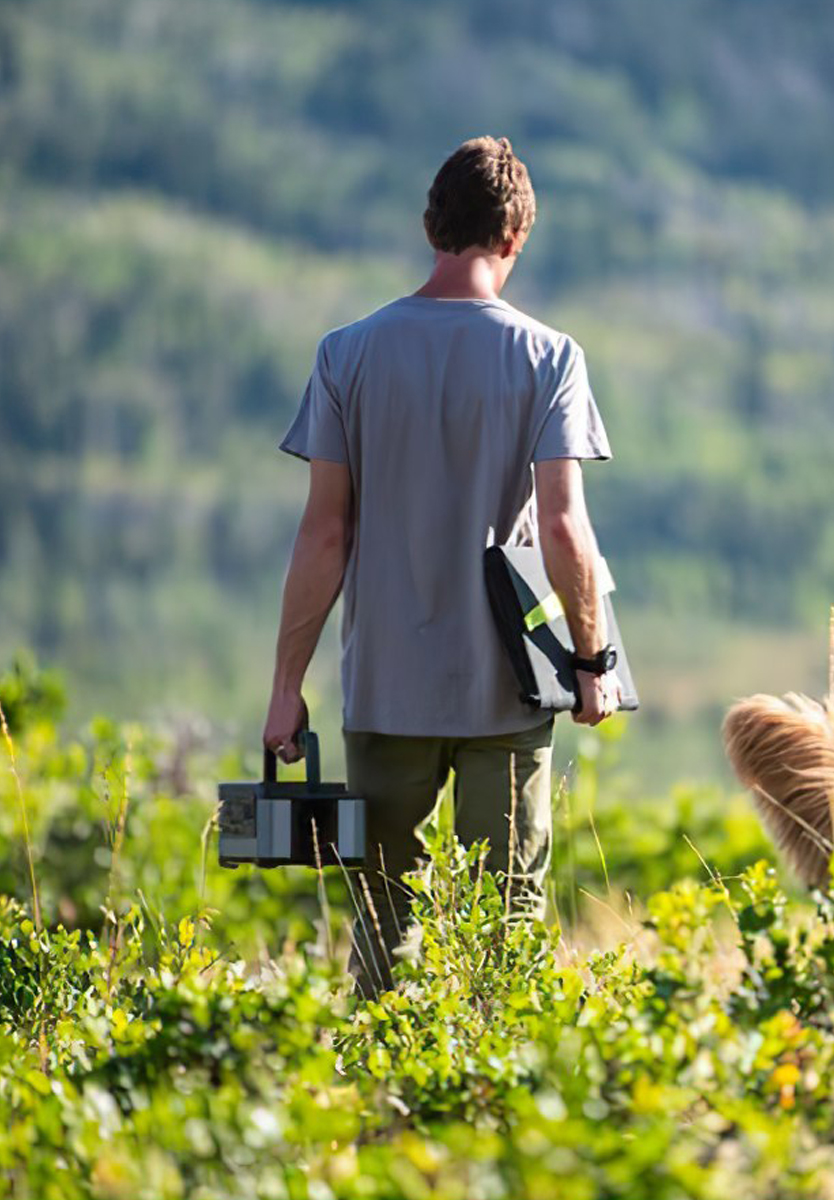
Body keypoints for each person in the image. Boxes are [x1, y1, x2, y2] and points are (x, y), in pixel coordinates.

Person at [261, 136, 619, 995]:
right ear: (514, 237)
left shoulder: (345, 354)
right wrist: (591, 664)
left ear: (432, 227)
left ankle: (383, 1105)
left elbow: (323, 538)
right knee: (508, 921)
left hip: (385, 687)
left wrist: (285, 688)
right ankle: (499, 1110)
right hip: (510, 686)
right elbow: (566, 529)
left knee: (384, 924)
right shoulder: (549, 358)